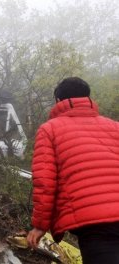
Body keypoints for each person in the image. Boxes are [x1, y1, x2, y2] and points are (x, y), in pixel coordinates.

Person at [27, 77, 119, 264]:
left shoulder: (49, 130)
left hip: (94, 224)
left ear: (58, 101)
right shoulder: (115, 127)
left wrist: (39, 225)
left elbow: (45, 182)